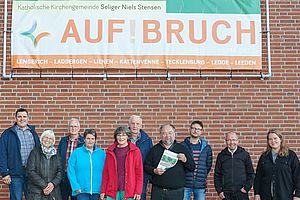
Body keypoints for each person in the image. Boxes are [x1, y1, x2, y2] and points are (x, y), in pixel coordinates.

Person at [144, 124, 195, 200]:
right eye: (164, 133)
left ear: (174, 133)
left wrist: (185, 160)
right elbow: (146, 166)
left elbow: (192, 167)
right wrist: (154, 170)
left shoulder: (182, 149)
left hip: (176, 192)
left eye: (170, 133)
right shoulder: (154, 149)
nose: (167, 136)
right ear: (160, 135)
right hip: (158, 192)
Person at [0, 108, 40, 200]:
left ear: (28, 118)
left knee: (32, 198)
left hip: (31, 173)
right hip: (15, 173)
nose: (22, 119)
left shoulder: (33, 133)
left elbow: (38, 153)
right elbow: (2, 154)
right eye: (19, 117)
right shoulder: (7, 134)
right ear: (16, 118)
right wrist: (4, 173)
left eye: (24, 116)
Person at [254, 129, 300, 200]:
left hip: (285, 196)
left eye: (275, 138)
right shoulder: (264, 157)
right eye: (270, 139)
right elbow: (258, 177)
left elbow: (298, 176)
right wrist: (257, 193)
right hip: (266, 196)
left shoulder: (291, 156)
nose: (273, 141)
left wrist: (298, 194)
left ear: (281, 139)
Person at [100, 126, 143, 200]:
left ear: (128, 136)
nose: (121, 137)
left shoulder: (135, 151)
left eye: (123, 135)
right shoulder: (110, 151)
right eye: (118, 135)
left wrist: (138, 191)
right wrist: (103, 190)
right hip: (112, 191)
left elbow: (139, 173)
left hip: (129, 191)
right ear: (115, 137)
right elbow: (106, 173)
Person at [214, 131, 254, 200]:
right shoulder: (221, 156)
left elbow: (251, 173)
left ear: (237, 141)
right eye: (229, 140)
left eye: (234, 140)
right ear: (226, 141)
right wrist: (219, 191)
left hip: (241, 193)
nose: (232, 142)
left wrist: (246, 188)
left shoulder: (244, 154)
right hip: (226, 193)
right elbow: (217, 174)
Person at [67, 129, 106, 200]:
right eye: (88, 138)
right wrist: (75, 186)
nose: (90, 141)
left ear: (95, 140)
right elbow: (70, 170)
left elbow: (106, 172)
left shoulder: (102, 154)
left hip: (97, 191)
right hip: (81, 191)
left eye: (92, 139)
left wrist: (103, 189)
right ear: (84, 139)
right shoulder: (76, 153)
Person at [26, 130, 63, 200]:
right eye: (46, 137)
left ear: (53, 141)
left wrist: (52, 184)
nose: (47, 140)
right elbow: (30, 171)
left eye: (50, 138)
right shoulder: (34, 152)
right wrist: (44, 185)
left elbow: (60, 172)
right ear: (42, 138)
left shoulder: (56, 154)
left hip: (53, 192)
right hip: (36, 192)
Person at [181, 120, 213, 200]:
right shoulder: (182, 146)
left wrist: (202, 175)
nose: (195, 131)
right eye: (193, 128)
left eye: (198, 129)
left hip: (200, 184)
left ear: (201, 131)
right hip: (185, 183)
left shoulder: (206, 147)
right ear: (190, 129)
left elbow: (208, 165)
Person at [58, 118, 84, 200]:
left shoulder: (83, 142)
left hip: (77, 177)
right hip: (64, 175)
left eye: (75, 126)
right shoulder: (63, 141)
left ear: (79, 128)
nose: (73, 128)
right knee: (63, 197)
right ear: (68, 128)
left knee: (76, 197)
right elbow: (58, 157)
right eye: (71, 126)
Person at [128, 115, 153, 200]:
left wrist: (151, 180)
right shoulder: (122, 138)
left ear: (141, 125)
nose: (135, 126)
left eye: (137, 124)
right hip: (126, 177)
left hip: (142, 177)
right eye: (133, 123)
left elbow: (150, 161)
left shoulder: (147, 140)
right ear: (129, 125)